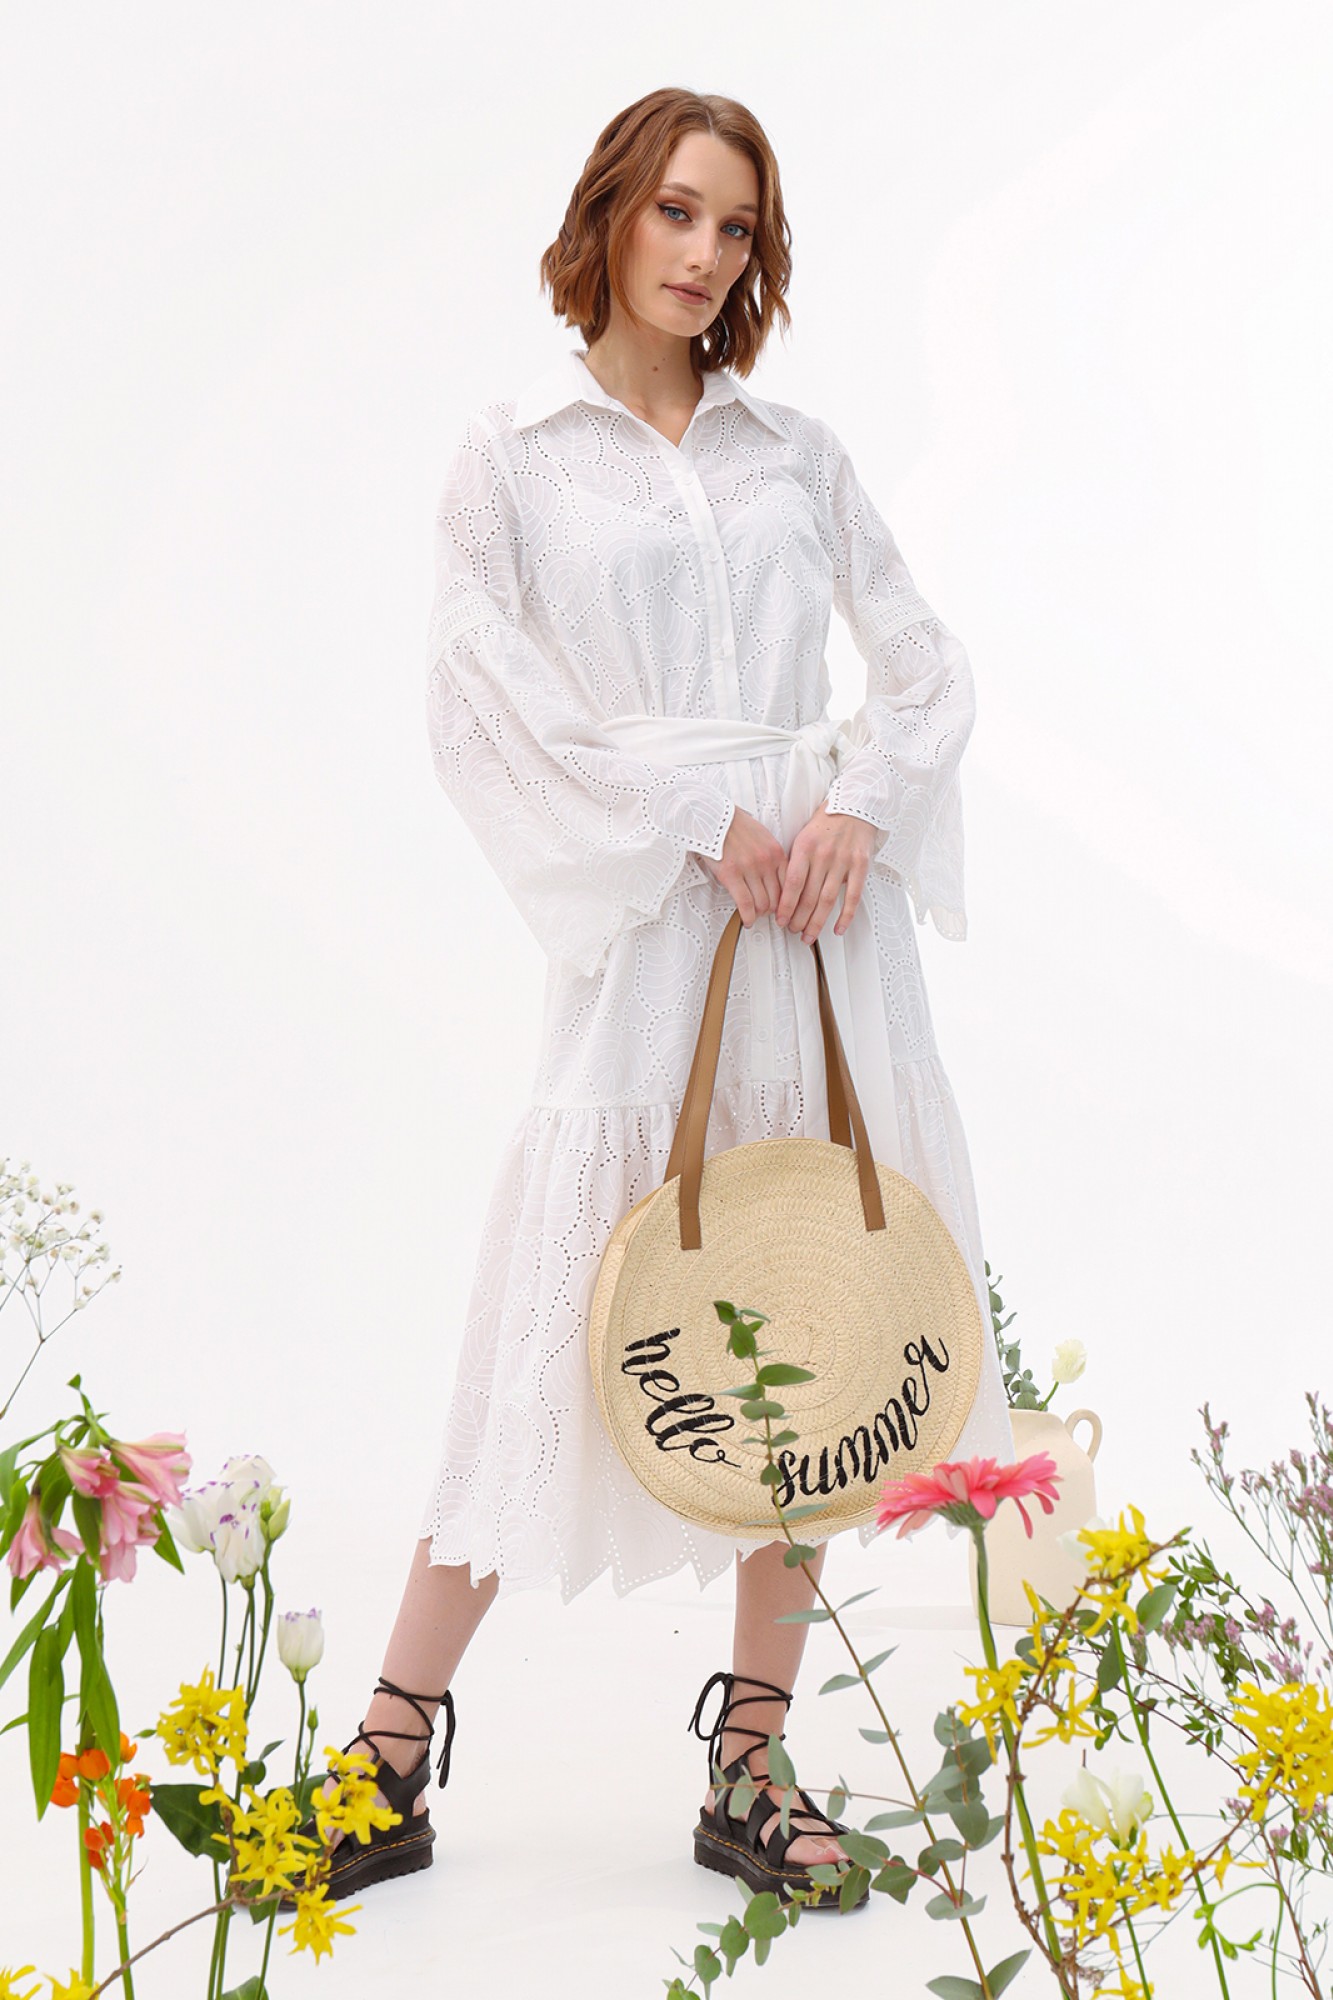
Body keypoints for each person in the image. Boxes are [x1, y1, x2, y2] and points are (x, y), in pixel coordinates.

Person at [297, 84, 1015, 1914]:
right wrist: (701, 821)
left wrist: (856, 807)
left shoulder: (795, 455)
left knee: (816, 1325)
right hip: (657, 929)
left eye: (736, 227)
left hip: (819, 940)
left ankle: (751, 1763)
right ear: (610, 212)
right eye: (677, 212)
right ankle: (387, 1749)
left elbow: (923, 663)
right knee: (562, 1315)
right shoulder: (516, 458)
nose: (704, 254)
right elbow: (481, 686)